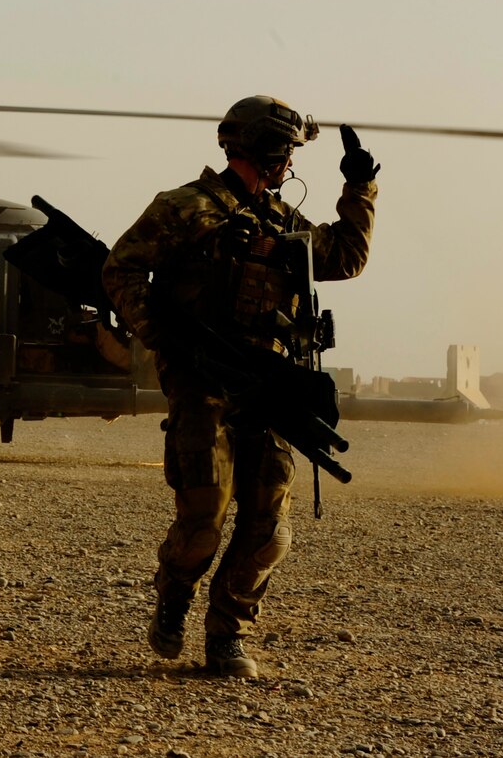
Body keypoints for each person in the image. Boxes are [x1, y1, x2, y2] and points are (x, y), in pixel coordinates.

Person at [102, 95, 378, 680]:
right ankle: (175, 592)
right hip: (201, 382)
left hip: (268, 387)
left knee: (268, 528)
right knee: (203, 518)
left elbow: (347, 257)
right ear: (265, 149)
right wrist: (162, 336)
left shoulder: (284, 223)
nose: (290, 164)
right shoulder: (184, 207)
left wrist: (359, 189)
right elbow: (120, 269)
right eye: (286, 152)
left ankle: (227, 634)